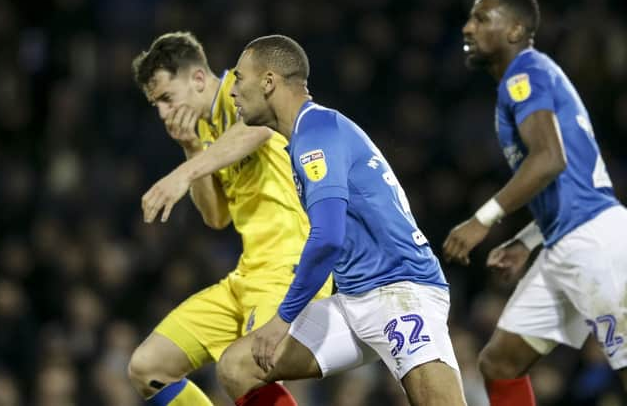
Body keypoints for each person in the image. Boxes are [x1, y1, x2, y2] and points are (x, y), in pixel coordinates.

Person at [216, 34, 466, 406]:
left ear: (268, 82)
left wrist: (282, 318)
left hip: (399, 292)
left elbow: (328, 237)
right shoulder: (304, 136)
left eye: (239, 78)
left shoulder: (318, 133)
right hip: (353, 300)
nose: (233, 91)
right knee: (238, 366)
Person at [443, 0, 627, 406]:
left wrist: (481, 220)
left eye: (482, 18)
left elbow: (548, 160)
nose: (468, 27)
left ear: (515, 30)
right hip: (566, 241)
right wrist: (527, 240)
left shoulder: (525, 74)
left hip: (594, 243)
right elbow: (571, 178)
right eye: (471, 17)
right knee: (499, 363)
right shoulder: (528, 79)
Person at [127, 31, 333, 406]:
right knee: (148, 367)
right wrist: (191, 149)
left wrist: (182, 176)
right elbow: (216, 217)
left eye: (166, 98)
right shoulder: (206, 133)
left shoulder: (246, 98)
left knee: (246, 368)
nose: (162, 112)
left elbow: (256, 129)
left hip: (290, 267)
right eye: (155, 104)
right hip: (247, 275)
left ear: (199, 79)